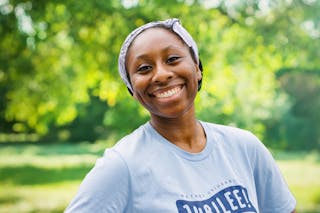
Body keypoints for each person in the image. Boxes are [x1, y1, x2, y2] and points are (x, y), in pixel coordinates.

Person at [65, 18, 296, 213]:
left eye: (173, 59)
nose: (162, 74)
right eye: (144, 68)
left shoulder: (245, 147)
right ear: (132, 89)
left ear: (197, 68)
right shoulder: (122, 165)